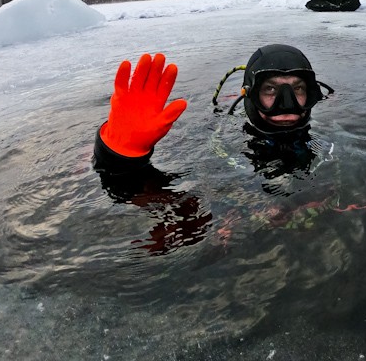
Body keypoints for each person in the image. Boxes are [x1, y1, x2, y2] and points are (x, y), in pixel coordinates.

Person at [92, 44, 334, 251]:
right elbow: (134, 194)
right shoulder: (213, 137)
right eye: (270, 89)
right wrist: (119, 159)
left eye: (297, 89)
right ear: (250, 93)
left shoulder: (333, 137)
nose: (286, 103)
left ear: (311, 93)